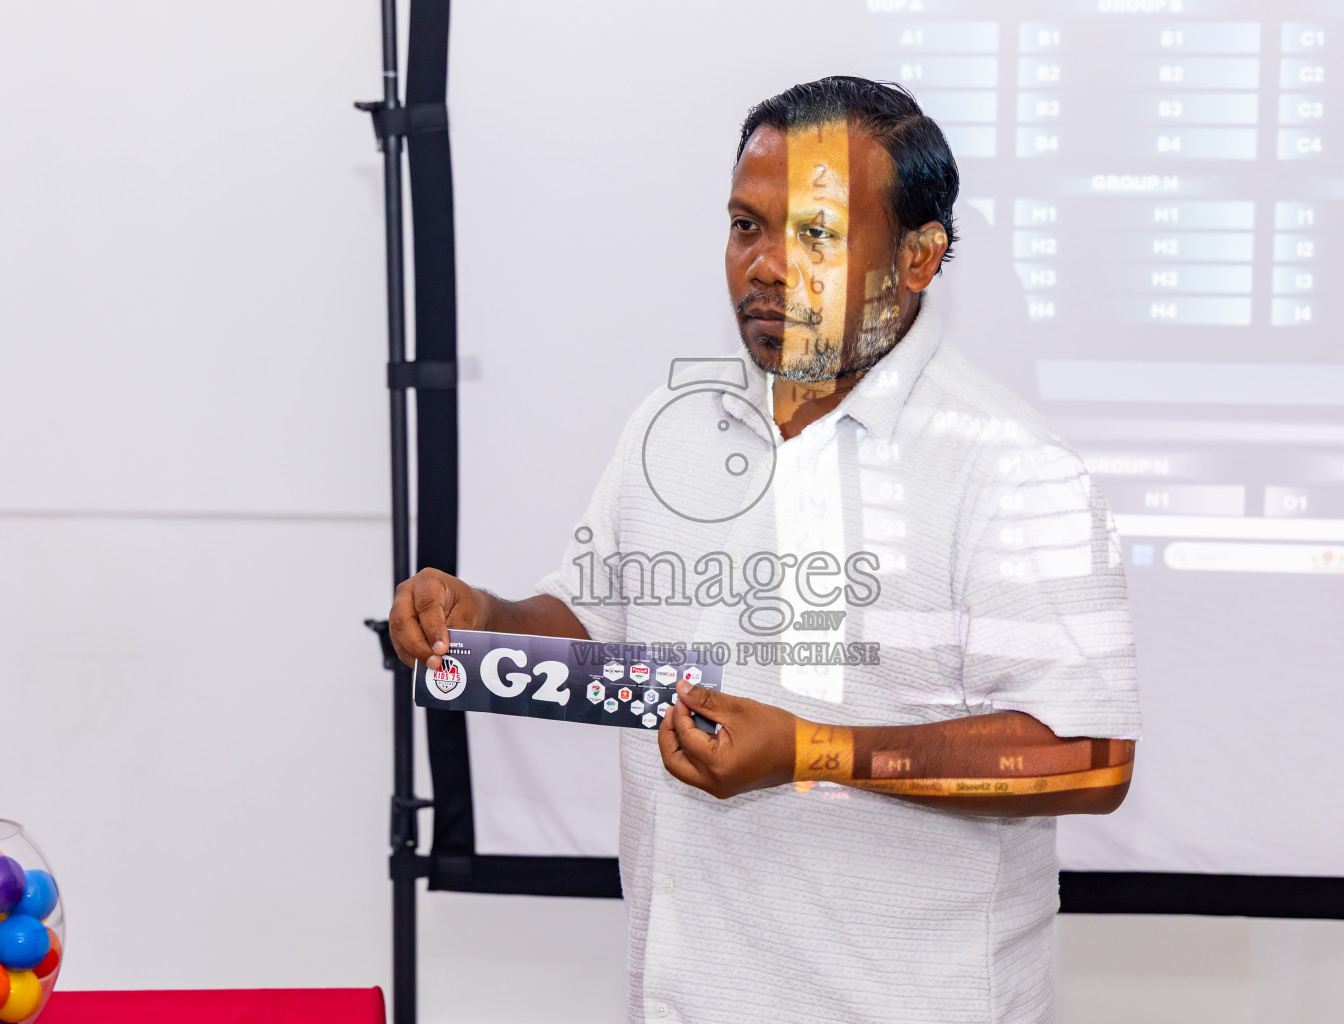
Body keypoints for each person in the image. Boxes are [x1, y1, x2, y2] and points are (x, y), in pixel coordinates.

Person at [391, 76, 1141, 1024]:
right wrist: (487, 618)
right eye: (748, 226)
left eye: (817, 235)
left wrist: (815, 752)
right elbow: (592, 621)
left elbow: (1089, 756)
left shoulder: (1013, 468)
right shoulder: (674, 427)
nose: (767, 266)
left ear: (919, 258)